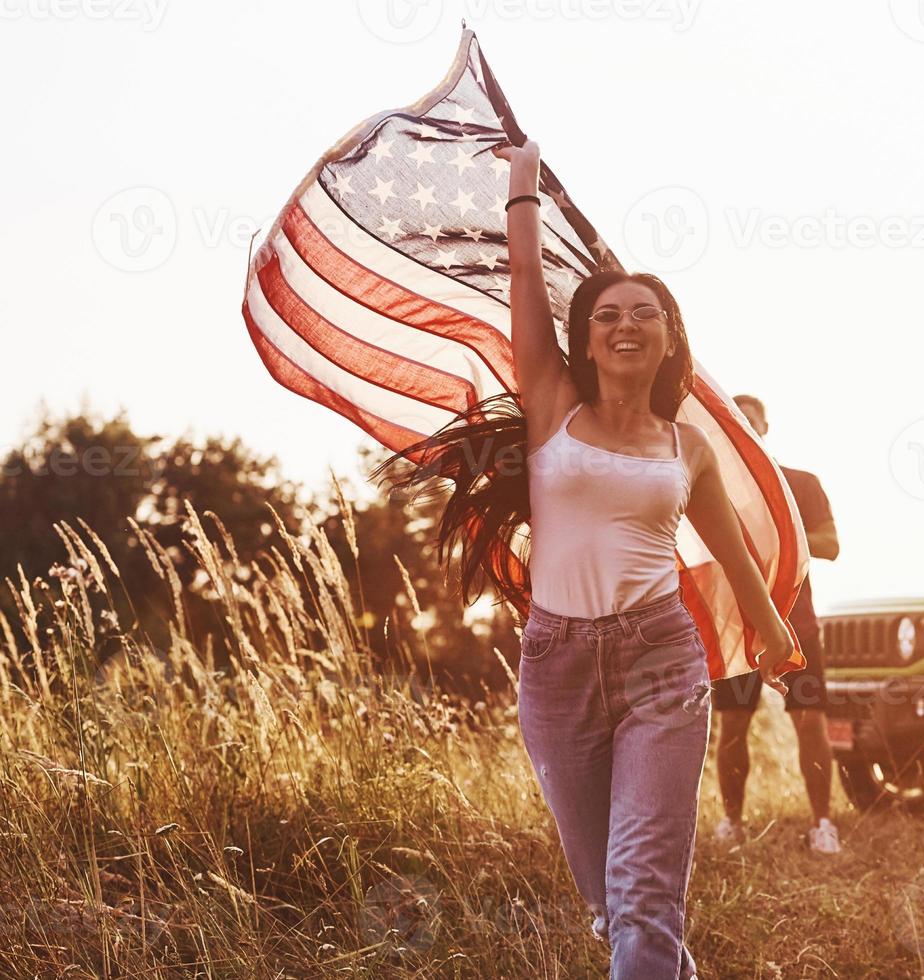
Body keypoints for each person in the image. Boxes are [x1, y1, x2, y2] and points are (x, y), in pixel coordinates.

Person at [374, 138, 796, 980]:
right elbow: (523, 286)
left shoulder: (689, 447)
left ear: (670, 338)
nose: (625, 322)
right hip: (556, 667)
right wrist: (521, 191)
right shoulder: (552, 403)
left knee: (643, 897)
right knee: (610, 903)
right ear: (587, 339)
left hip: (658, 663)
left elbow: (730, 550)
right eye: (607, 314)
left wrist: (774, 632)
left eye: (644, 312)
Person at [711, 394, 843, 855]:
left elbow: (830, 544)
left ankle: (824, 824)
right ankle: (731, 822)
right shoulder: (714, 488)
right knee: (732, 727)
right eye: (736, 420)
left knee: (811, 725)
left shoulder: (803, 484)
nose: (745, 426)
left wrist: (781, 537)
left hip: (797, 630)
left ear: (765, 426)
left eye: (752, 419)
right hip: (737, 632)